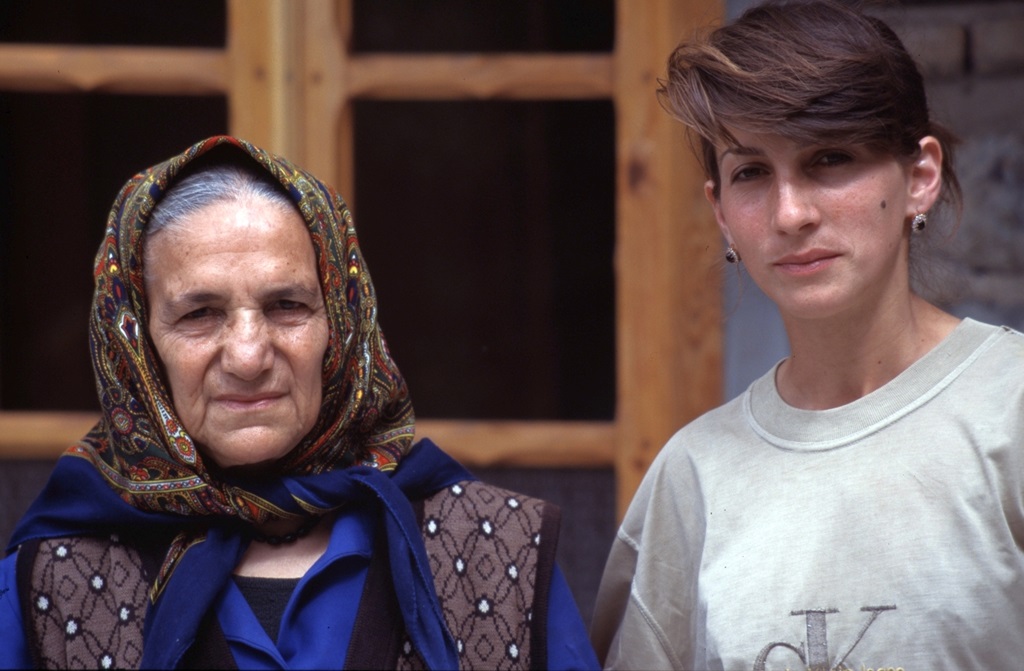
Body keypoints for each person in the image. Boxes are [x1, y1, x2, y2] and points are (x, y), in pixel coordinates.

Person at [0, 135, 599, 670]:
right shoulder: (52, 579)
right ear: (136, 346)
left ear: (340, 326)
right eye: (199, 314)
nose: (248, 355)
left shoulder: (499, 550)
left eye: (287, 306)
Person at [590, 1, 1024, 668]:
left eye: (829, 158)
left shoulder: (1010, 409)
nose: (789, 213)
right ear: (721, 212)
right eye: (752, 172)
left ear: (919, 177)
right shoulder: (693, 478)